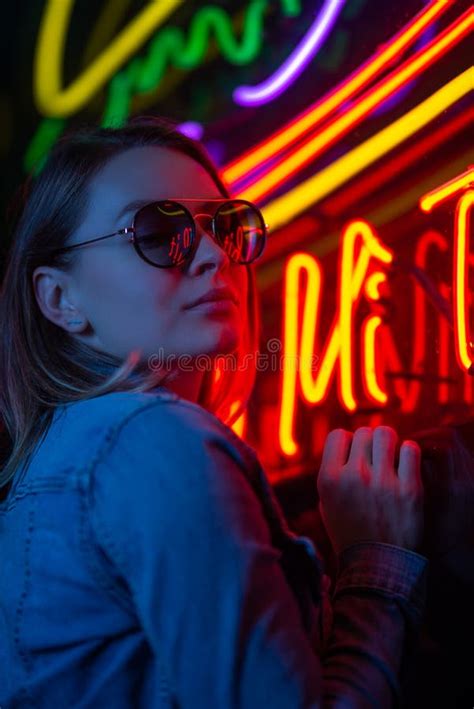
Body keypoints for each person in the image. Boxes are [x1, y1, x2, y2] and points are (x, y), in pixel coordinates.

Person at [0, 116, 427, 708]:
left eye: (226, 226)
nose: (211, 255)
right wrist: (375, 562)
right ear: (60, 299)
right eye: (155, 230)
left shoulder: (58, 462)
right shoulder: (152, 440)